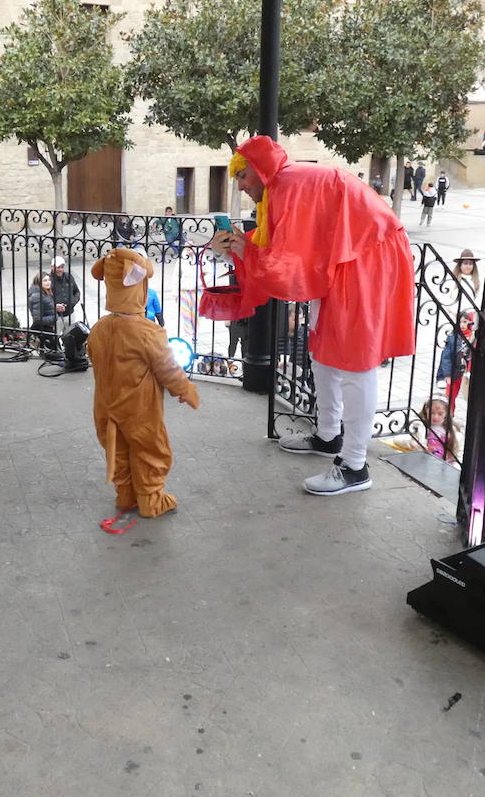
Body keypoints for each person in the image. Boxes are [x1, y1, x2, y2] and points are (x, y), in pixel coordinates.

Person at [214, 135, 416, 496]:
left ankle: (355, 466)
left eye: (243, 176)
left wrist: (245, 249)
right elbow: (282, 245)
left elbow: (286, 261)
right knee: (323, 350)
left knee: (355, 361)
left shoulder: (288, 186)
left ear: (260, 171)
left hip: (364, 258)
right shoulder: (283, 187)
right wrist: (241, 246)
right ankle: (327, 436)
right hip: (347, 259)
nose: (241, 186)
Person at [87, 247, 199, 517]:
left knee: (119, 450)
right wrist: (186, 390)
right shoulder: (147, 331)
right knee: (151, 449)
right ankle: (151, 499)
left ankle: (125, 496)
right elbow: (168, 368)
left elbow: (94, 356)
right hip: (139, 408)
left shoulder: (99, 329)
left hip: (105, 406)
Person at [28, 271, 59, 356]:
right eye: (44, 280)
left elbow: (44, 308)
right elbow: (38, 318)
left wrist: (55, 308)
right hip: (43, 329)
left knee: (52, 353)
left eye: (49, 280)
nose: (48, 282)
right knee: (51, 354)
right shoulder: (38, 296)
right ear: (39, 282)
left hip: (46, 328)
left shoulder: (45, 292)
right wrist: (54, 317)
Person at [50, 255, 81, 333]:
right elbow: (43, 299)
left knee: (71, 338)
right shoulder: (48, 280)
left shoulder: (69, 276)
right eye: (58, 267)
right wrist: (54, 306)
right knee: (54, 339)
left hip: (71, 314)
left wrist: (72, 302)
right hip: (56, 317)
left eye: (62, 267)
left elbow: (77, 292)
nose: (60, 269)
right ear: (52, 267)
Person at [421, 397, 459, 461]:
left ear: (446, 414)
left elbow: (456, 449)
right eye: (432, 413)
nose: (435, 417)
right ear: (426, 411)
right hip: (425, 460)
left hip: (443, 463)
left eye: (440, 414)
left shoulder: (450, 430)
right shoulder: (421, 427)